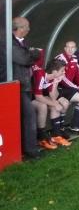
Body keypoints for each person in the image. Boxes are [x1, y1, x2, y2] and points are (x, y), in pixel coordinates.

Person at [11, 17, 42, 159]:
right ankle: (31, 150)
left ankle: (25, 147)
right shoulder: (9, 42)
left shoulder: (21, 42)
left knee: (25, 116)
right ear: (20, 28)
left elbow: (27, 57)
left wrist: (31, 53)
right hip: (16, 85)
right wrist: (35, 53)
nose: (29, 29)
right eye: (27, 26)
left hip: (25, 84)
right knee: (29, 115)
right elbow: (24, 59)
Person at [32, 59, 72, 149]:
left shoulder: (52, 78)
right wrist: (55, 104)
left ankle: (56, 136)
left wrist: (56, 82)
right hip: (29, 97)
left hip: (39, 96)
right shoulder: (40, 74)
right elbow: (38, 96)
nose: (64, 72)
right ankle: (42, 137)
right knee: (44, 106)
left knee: (55, 105)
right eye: (62, 70)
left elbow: (53, 97)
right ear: (54, 71)